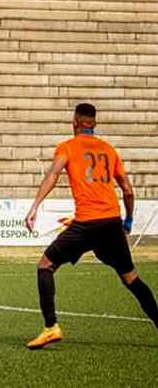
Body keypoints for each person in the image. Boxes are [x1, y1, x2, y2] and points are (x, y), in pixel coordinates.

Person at [24, 103, 158, 349]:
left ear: (75, 122)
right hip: (111, 223)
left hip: (86, 224)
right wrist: (128, 220)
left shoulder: (67, 147)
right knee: (131, 278)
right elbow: (128, 190)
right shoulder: (109, 150)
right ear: (94, 124)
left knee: (45, 265)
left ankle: (51, 326)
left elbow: (53, 174)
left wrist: (35, 206)